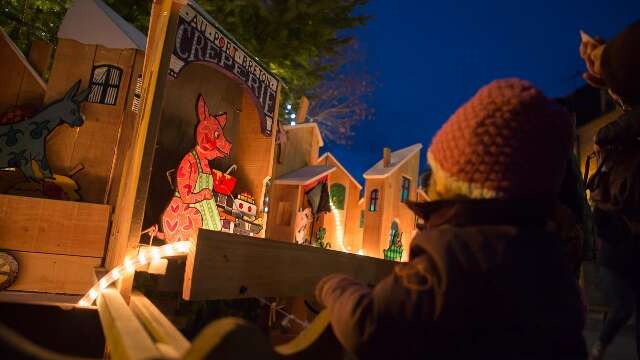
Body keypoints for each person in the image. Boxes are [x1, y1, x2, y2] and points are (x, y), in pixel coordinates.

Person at [315, 78, 587, 359]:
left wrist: (334, 286)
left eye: (436, 170)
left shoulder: (452, 259)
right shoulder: (551, 265)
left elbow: (367, 325)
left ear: (454, 180)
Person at [580, 20, 640, 360]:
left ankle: (599, 346)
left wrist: (607, 59)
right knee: (623, 307)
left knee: (624, 307)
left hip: (620, 242)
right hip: (618, 247)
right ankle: (600, 345)